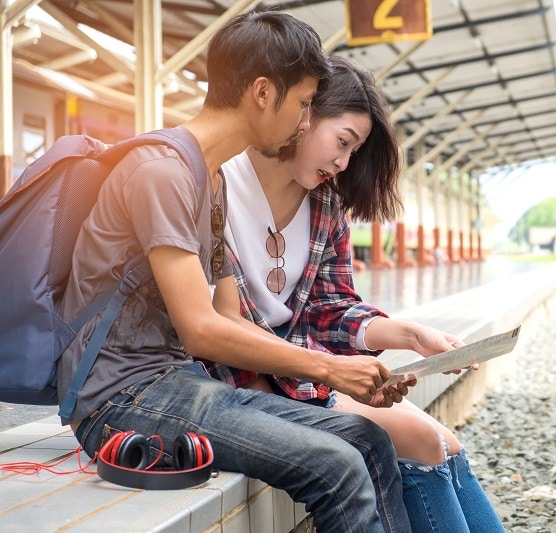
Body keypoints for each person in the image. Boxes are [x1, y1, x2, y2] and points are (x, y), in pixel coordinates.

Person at [57, 11, 413, 533]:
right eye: (305, 104)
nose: (305, 121)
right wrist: (331, 369)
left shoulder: (209, 182)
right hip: (120, 400)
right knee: (336, 468)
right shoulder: (162, 172)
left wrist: (344, 365)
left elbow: (228, 316)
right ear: (264, 93)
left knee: (368, 440)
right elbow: (201, 330)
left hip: (178, 385)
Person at [216, 56, 505, 533]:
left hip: (300, 372)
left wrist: (411, 336)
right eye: (343, 142)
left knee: (445, 441)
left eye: (353, 151)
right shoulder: (218, 186)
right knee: (423, 441)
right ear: (303, 113)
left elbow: (331, 309)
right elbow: (212, 329)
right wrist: (325, 375)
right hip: (251, 381)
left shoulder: (323, 203)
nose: (343, 163)